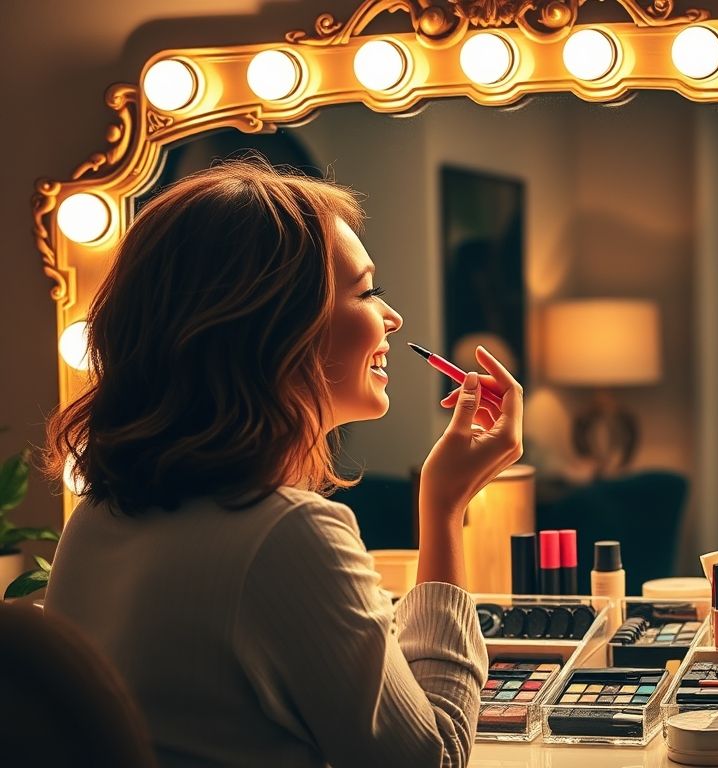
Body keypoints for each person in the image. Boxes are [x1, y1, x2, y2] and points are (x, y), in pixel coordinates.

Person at [43, 157, 523, 768]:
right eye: (366, 291)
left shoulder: (98, 515)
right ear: (277, 327)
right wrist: (444, 505)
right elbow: (431, 758)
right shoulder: (287, 536)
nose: (392, 318)